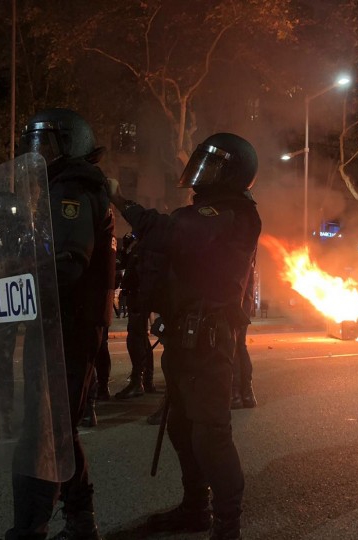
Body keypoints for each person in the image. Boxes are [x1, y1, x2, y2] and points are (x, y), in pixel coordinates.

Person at [107, 132, 261, 540]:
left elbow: (172, 231)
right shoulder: (204, 211)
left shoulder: (232, 214)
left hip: (210, 340)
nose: (200, 175)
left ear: (232, 173)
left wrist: (121, 200)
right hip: (182, 336)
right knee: (180, 427)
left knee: (211, 435)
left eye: (211, 167)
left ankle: (228, 527)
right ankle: (196, 509)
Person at [4, 108, 115, 540]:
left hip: (67, 328)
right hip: (58, 325)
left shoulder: (72, 191)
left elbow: (67, 264)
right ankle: (81, 520)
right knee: (59, 431)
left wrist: (14, 271)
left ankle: (29, 531)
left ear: (71, 144)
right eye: (35, 144)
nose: (39, 153)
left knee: (43, 435)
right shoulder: (62, 188)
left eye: (46, 143)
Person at [115, 232, 158, 399]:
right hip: (137, 296)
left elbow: (139, 273)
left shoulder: (145, 248)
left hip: (139, 296)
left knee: (135, 338)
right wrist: (125, 249)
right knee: (140, 339)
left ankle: (138, 381)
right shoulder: (138, 247)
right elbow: (122, 264)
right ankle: (146, 381)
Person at [231, 260, 256, 410]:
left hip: (234, 307)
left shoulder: (234, 255)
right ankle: (247, 394)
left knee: (233, 347)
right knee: (240, 346)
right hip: (243, 307)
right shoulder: (246, 255)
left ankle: (236, 395)